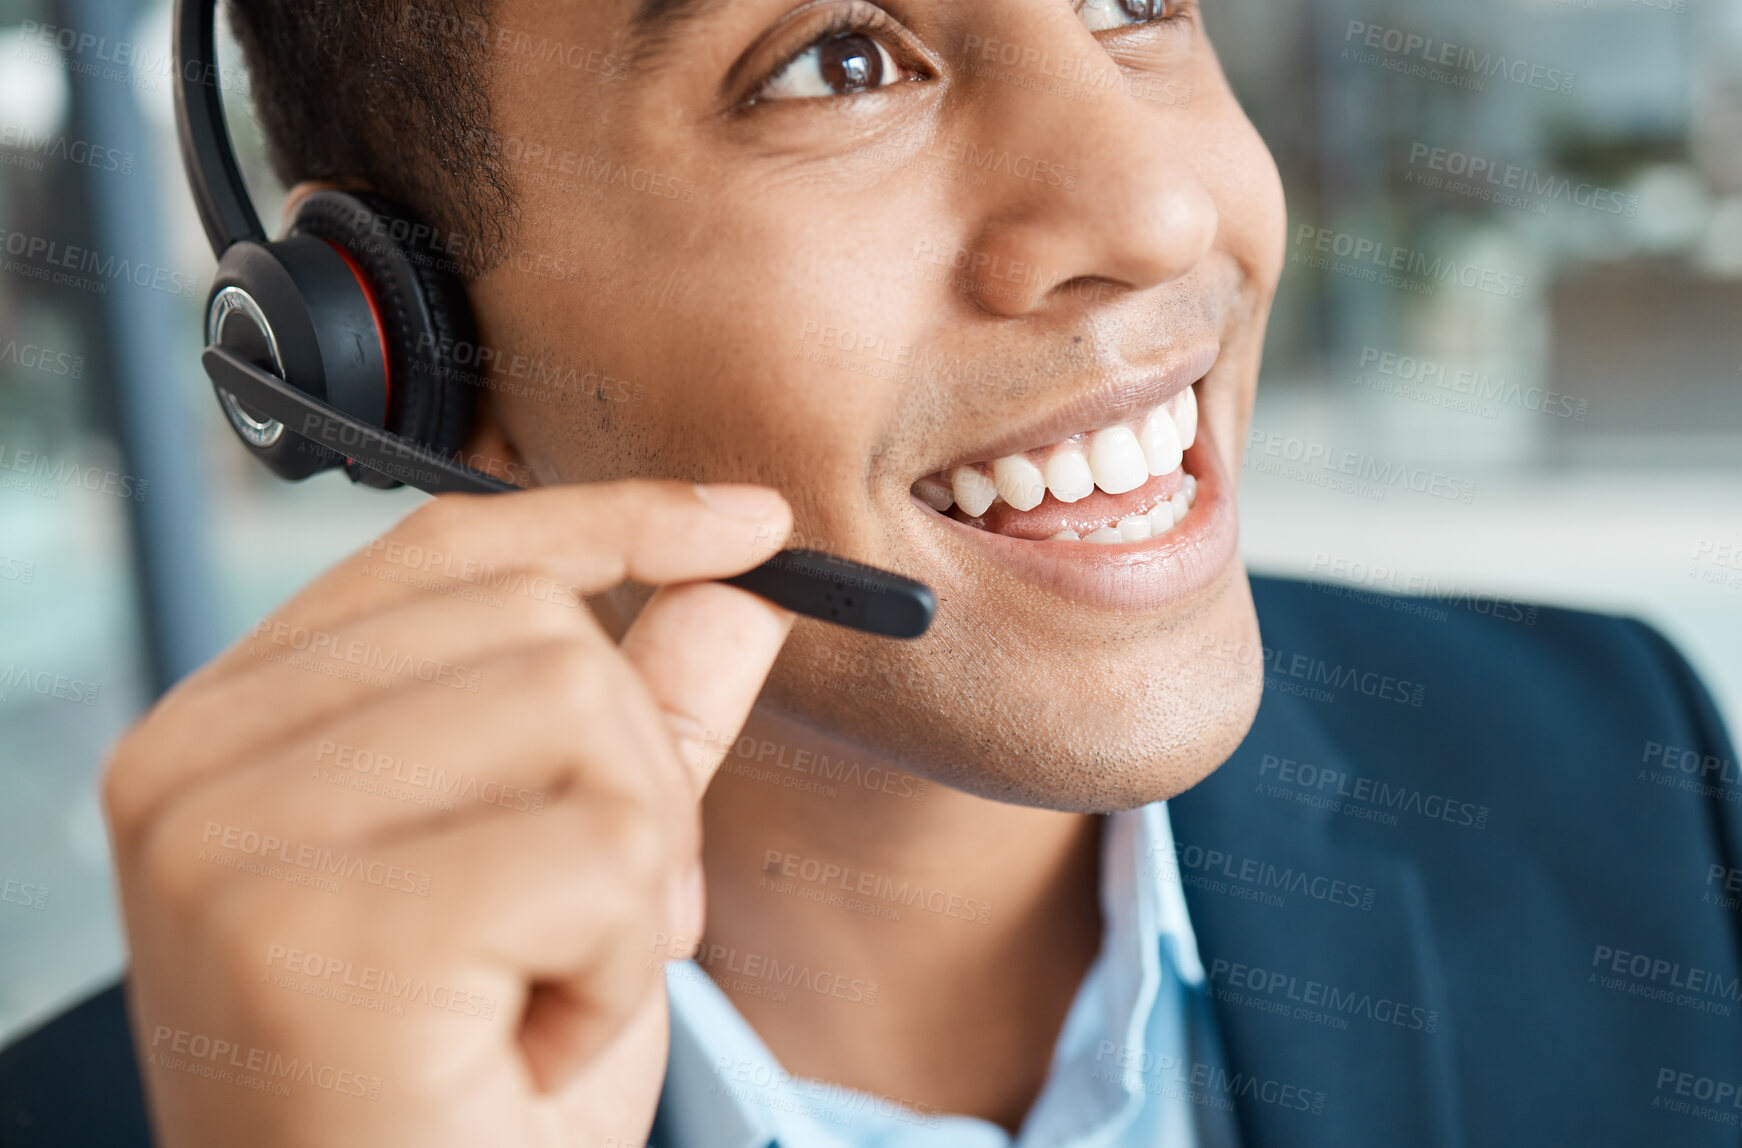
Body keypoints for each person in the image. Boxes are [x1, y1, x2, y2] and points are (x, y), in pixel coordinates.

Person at [3, 1, 1740, 1145]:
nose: (1149, 210)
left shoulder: (1608, 762)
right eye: (836, 60)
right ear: (402, 347)